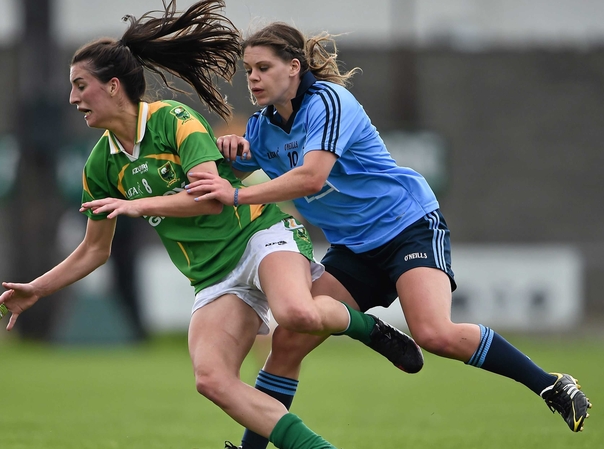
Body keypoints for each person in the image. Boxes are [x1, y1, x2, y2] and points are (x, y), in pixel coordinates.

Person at [0, 3, 422, 448]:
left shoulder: (174, 120)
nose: (74, 98)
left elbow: (211, 201)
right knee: (211, 379)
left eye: (81, 86)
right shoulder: (100, 162)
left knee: (296, 314)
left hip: (260, 237)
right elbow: (94, 250)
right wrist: (36, 289)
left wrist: (140, 206)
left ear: (113, 86)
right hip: (212, 275)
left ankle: (371, 329)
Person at [185, 22, 592, 448]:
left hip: (407, 226)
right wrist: (229, 157)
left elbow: (310, 177)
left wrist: (234, 193)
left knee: (434, 333)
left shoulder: (329, 101)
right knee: (288, 340)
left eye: (263, 68)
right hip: (354, 249)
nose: (252, 79)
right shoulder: (262, 128)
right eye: (248, 70)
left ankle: (551, 385)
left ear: (294, 67)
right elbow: (229, 171)